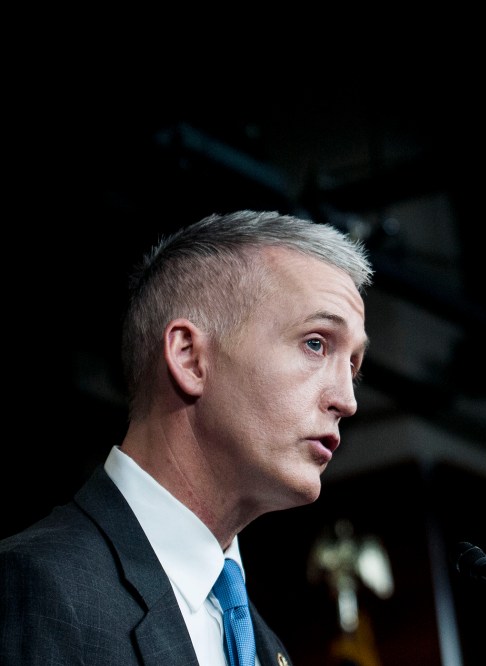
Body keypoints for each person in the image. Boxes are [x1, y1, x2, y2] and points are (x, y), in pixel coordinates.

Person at [0, 210, 374, 665]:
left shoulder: (267, 646)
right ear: (190, 358)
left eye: (353, 366)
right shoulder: (36, 586)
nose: (347, 401)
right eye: (316, 343)